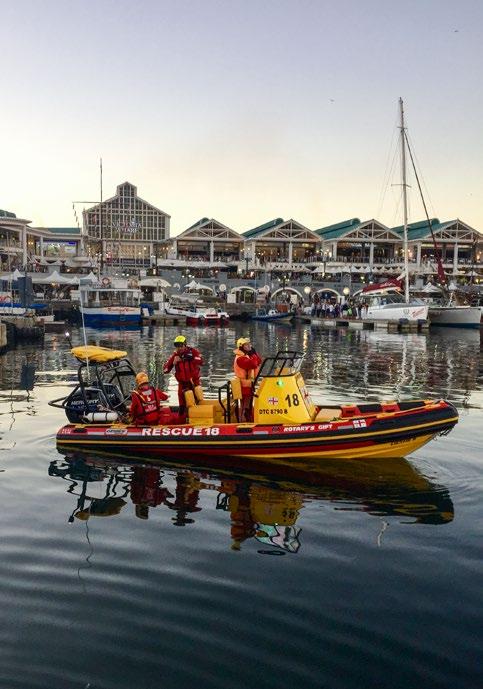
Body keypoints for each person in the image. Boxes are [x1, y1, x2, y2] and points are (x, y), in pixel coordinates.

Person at [163, 335, 204, 417]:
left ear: (185, 345)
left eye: (180, 346)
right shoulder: (175, 355)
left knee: (198, 401)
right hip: (182, 384)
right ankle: (182, 421)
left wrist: (191, 358)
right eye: (177, 346)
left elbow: (201, 361)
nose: (179, 348)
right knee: (182, 405)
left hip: (194, 382)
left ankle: (199, 417)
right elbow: (165, 370)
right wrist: (172, 363)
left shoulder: (193, 352)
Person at [233, 337, 262, 422]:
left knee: (248, 403)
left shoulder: (246, 356)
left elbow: (259, 361)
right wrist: (253, 355)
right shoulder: (240, 358)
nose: (249, 345)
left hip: (249, 383)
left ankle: (247, 417)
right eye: (247, 344)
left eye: (249, 344)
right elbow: (253, 364)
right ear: (241, 346)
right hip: (244, 384)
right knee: (244, 403)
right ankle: (242, 420)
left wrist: (254, 354)